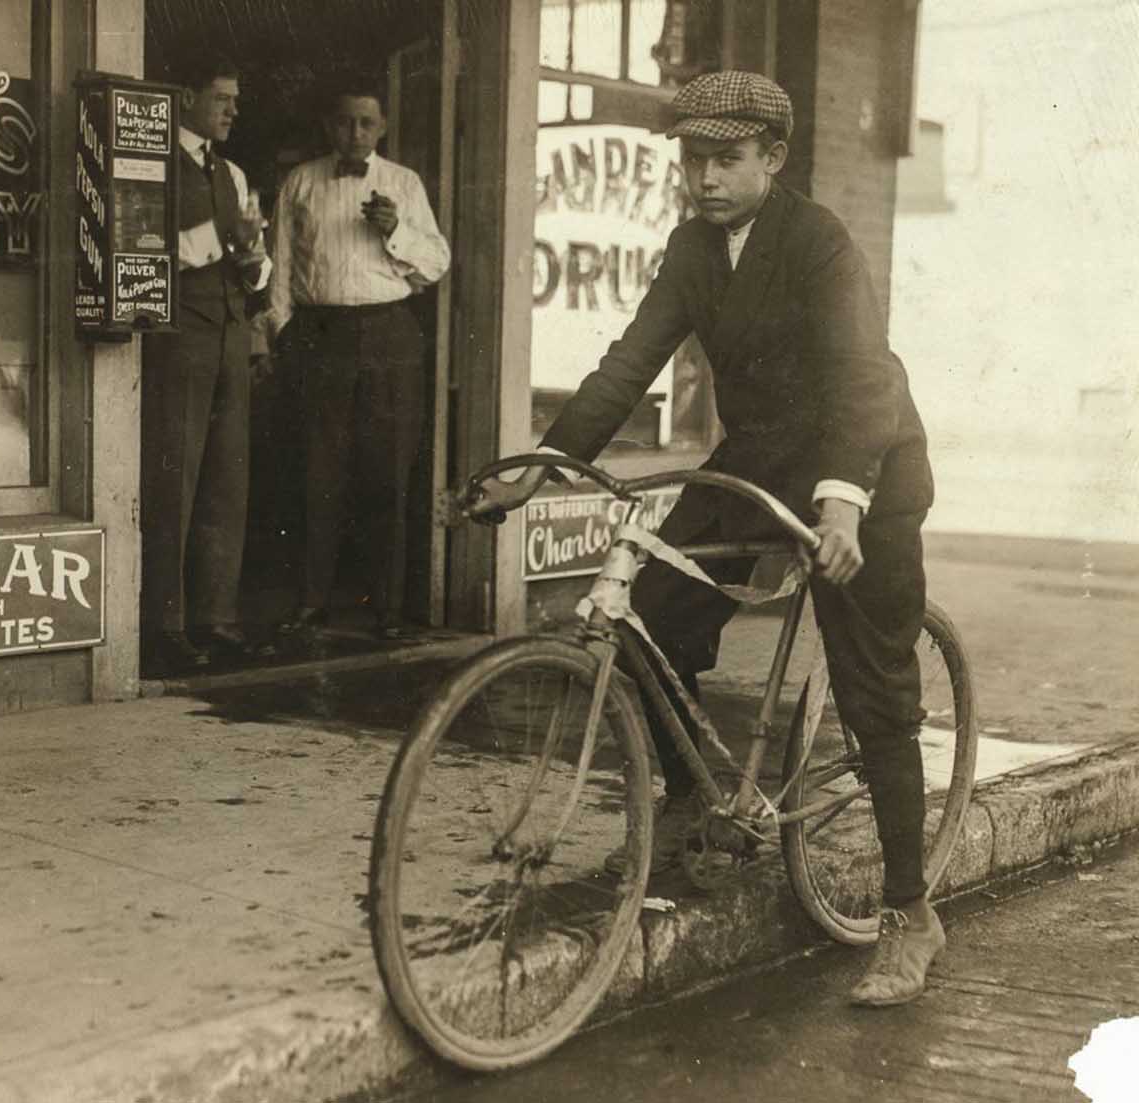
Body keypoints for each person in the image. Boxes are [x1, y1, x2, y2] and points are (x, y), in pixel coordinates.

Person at [471, 71, 942, 1008]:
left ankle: (907, 911)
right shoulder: (693, 247)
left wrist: (844, 502)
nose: (705, 177)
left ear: (774, 157)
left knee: (872, 684)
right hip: (760, 459)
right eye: (693, 158)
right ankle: (693, 810)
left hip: (866, 465)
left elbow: (860, 377)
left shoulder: (821, 244)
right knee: (653, 613)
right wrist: (548, 463)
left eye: (726, 159)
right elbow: (630, 359)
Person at [268, 80, 451, 642]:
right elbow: (279, 265)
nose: (355, 133)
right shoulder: (301, 182)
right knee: (315, 471)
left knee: (386, 474)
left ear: (382, 128)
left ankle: (387, 609)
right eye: (345, 122)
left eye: (366, 123)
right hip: (320, 333)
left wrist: (395, 232)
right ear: (329, 127)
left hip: (388, 334)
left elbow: (437, 263)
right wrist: (282, 334)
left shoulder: (403, 183)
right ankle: (311, 602)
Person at [140, 54, 274, 674]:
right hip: (178, 339)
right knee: (175, 481)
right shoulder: (148, 162)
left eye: (235, 101)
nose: (232, 111)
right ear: (187, 97)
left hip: (228, 335)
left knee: (227, 481)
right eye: (221, 97)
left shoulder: (236, 174)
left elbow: (258, 267)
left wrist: (251, 259)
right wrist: (228, 239)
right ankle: (162, 625)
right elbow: (146, 246)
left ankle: (214, 617)